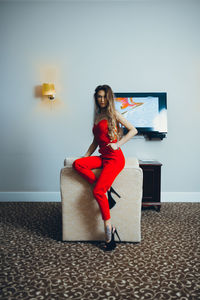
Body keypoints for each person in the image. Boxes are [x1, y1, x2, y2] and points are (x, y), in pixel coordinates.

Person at [73, 85, 138, 251]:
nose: (101, 100)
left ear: (109, 98)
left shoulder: (113, 114)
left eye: (104, 97)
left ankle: (109, 230)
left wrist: (118, 144)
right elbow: (96, 141)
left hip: (115, 159)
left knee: (97, 192)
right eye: (98, 97)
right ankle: (105, 190)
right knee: (77, 164)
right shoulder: (97, 116)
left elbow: (133, 130)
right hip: (103, 157)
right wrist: (86, 156)